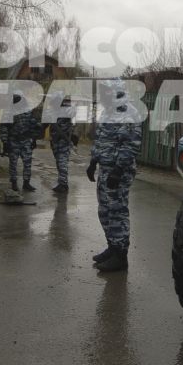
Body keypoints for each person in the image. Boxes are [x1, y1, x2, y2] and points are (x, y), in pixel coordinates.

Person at [86, 80, 144, 272]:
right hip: (105, 168)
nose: (102, 95)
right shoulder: (108, 111)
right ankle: (112, 246)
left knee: (117, 211)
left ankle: (121, 255)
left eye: (105, 91)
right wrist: (93, 161)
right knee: (105, 210)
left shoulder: (129, 112)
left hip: (119, 171)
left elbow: (131, 144)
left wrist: (118, 171)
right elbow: (101, 138)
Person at [3, 92, 42, 199]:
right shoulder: (8, 112)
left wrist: (34, 139)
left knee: (28, 162)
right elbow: (4, 128)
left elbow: (33, 126)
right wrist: (5, 142)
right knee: (13, 163)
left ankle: (26, 183)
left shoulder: (28, 111)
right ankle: (14, 183)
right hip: (13, 140)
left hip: (26, 141)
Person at [49, 94, 75, 193]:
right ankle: (62, 182)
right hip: (55, 141)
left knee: (62, 161)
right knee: (58, 162)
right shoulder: (53, 110)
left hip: (64, 141)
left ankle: (63, 184)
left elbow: (72, 113)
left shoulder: (67, 109)